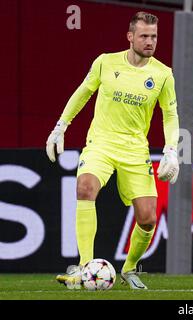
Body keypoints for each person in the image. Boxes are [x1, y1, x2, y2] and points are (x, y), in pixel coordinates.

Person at [45, 12, 180, 290]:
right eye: (143, 35)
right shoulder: (105, 62)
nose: (149, 41)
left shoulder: (163, 74)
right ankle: (84, 267)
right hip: (101, 143)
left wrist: (170, 150)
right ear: (130, 37)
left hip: (134, 149)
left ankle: (129, 269)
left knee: (148, 217)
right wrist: (61, 126)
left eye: (153, 36)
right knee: (84, 187)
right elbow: (83, 92)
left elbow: (170, 114)